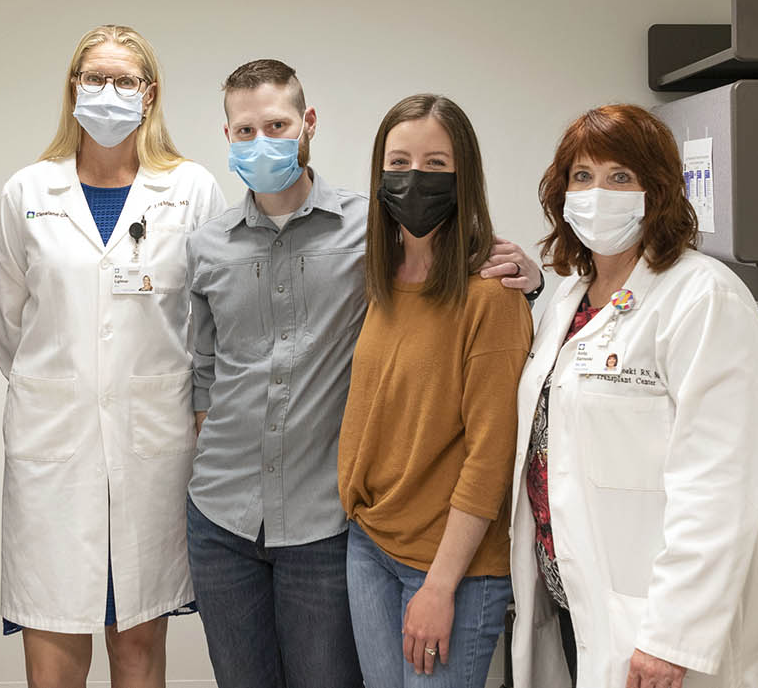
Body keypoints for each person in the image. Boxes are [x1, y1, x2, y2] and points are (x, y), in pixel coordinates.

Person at [186, 64, 540, 688]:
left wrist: (531, 281)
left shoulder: (365, 231)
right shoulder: (212, 244)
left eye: (276, 124)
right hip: (226, 516)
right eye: (246, 129)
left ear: (307, 124)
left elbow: (454, 283)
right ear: (227, 134)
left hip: (325, 525)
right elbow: (204, 375)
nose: (261, 140)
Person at [0, 24, 226, 688]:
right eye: (96, 77)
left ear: (150, 95)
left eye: (125, 80)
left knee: (140, 642)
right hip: (54, 449)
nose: (109, 92)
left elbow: (209, 321)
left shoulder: (192, 190)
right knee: (54, 650)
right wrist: (69, 383)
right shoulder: (28, 193)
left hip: (151, 445)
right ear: (73, 89)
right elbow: (12, 327)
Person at [509, 104, 758, 688]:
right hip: (576, 604)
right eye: (582, 176)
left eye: (620, 177)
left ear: (657, 191)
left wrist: (671, 638)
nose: (597, 193)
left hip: (653, 629)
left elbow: (717, 487)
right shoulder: (570, 297)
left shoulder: (704, 297)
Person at [337, 94, 533, 688]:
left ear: (463, 176)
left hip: (451, 568)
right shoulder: (379, 279)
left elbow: (491, 455)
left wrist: (440, 585)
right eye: (398, 163)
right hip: (371, 543)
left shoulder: (491, 296)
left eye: (436, 166)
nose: (413, 180)